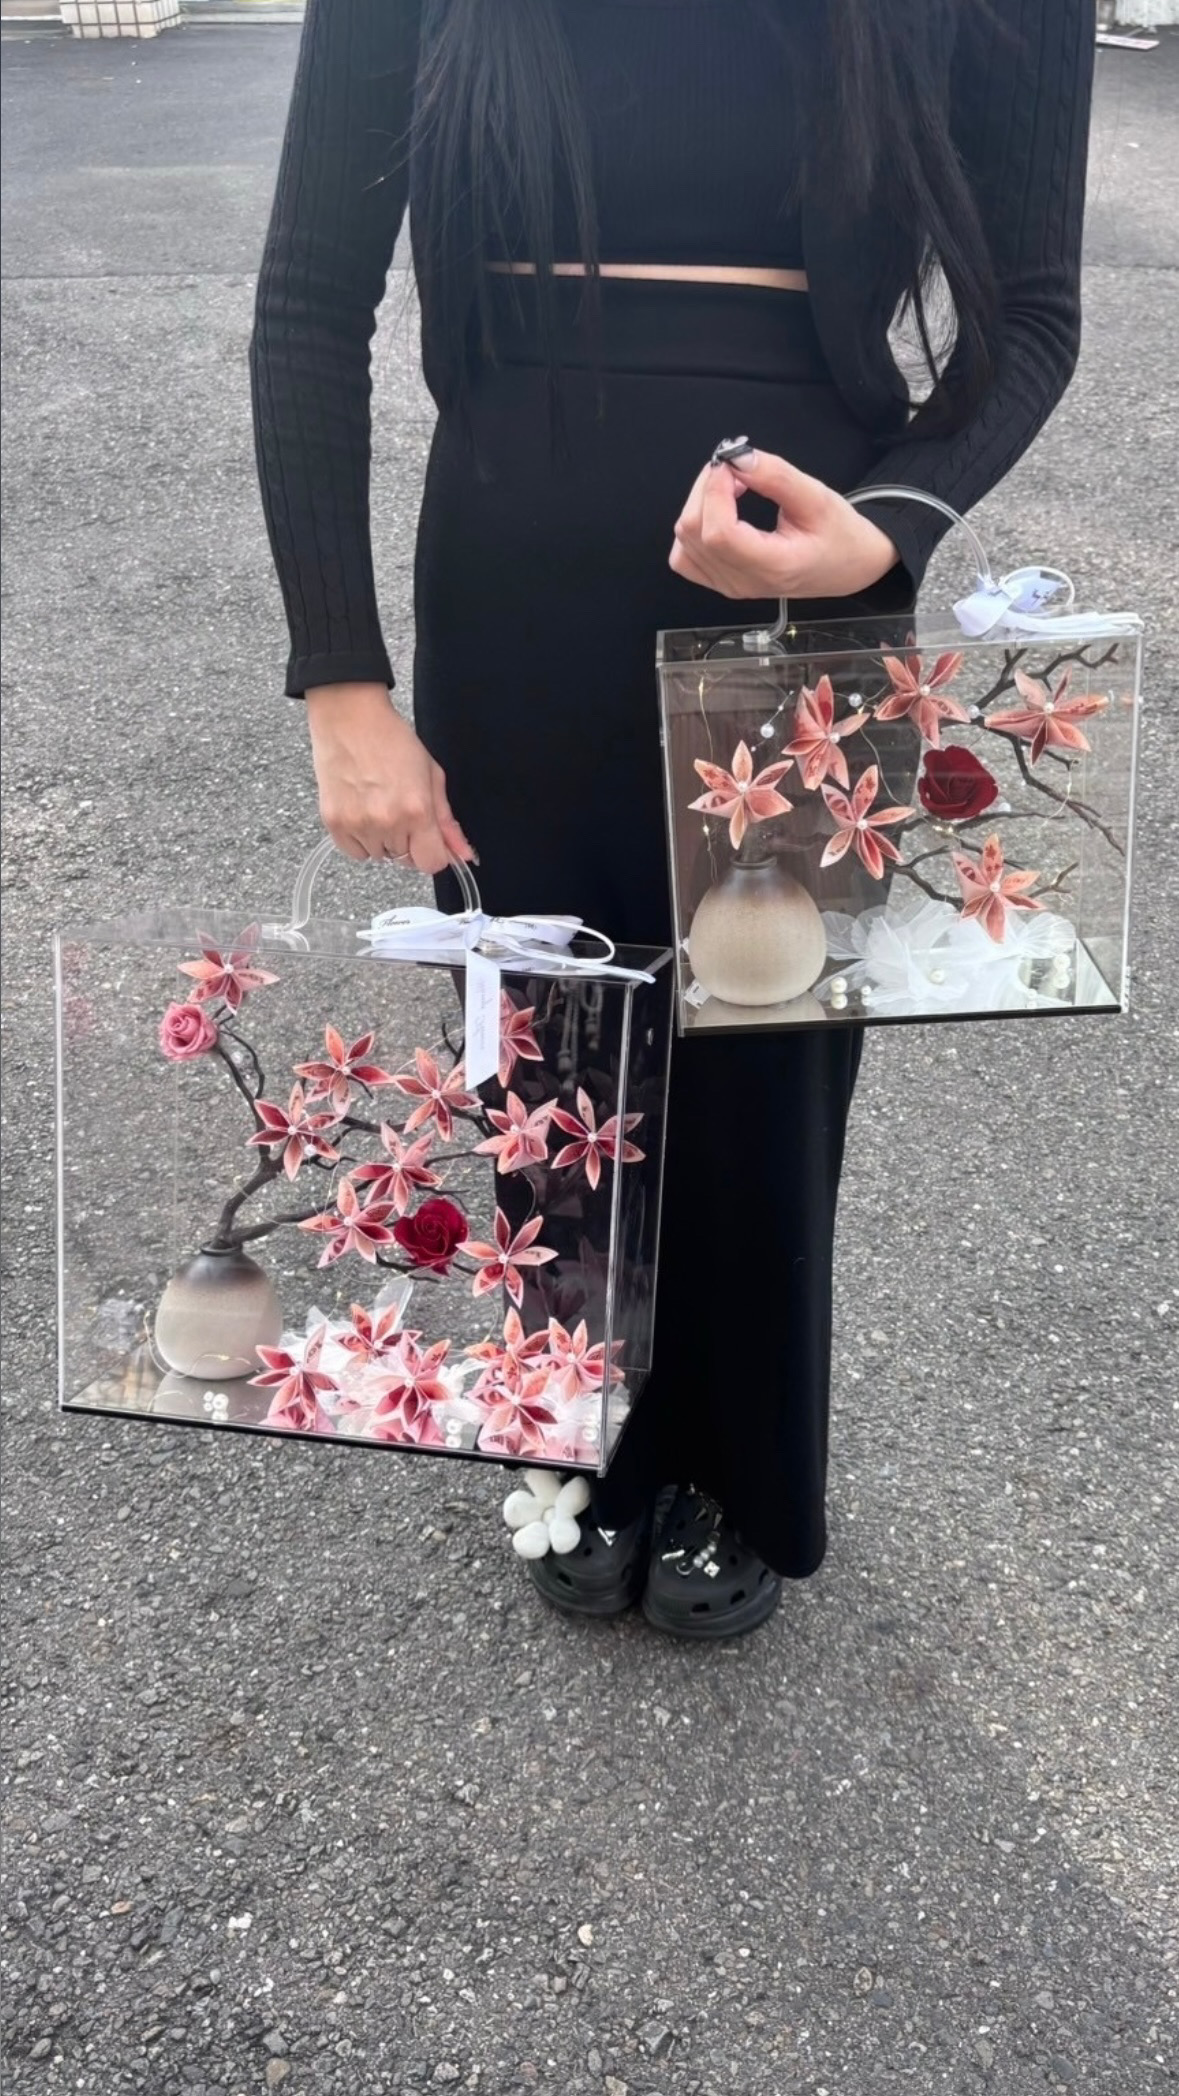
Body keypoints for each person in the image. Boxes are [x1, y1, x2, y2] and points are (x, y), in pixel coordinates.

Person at [249, 0, 1095, 1638]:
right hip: (511, 569)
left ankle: (735, 1460)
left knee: (767, 1066)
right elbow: (307, 301)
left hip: (806, 572)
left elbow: (1036, 314)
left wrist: (889, 530)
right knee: (552, 1052)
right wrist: (339, 681)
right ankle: (578, 1433)